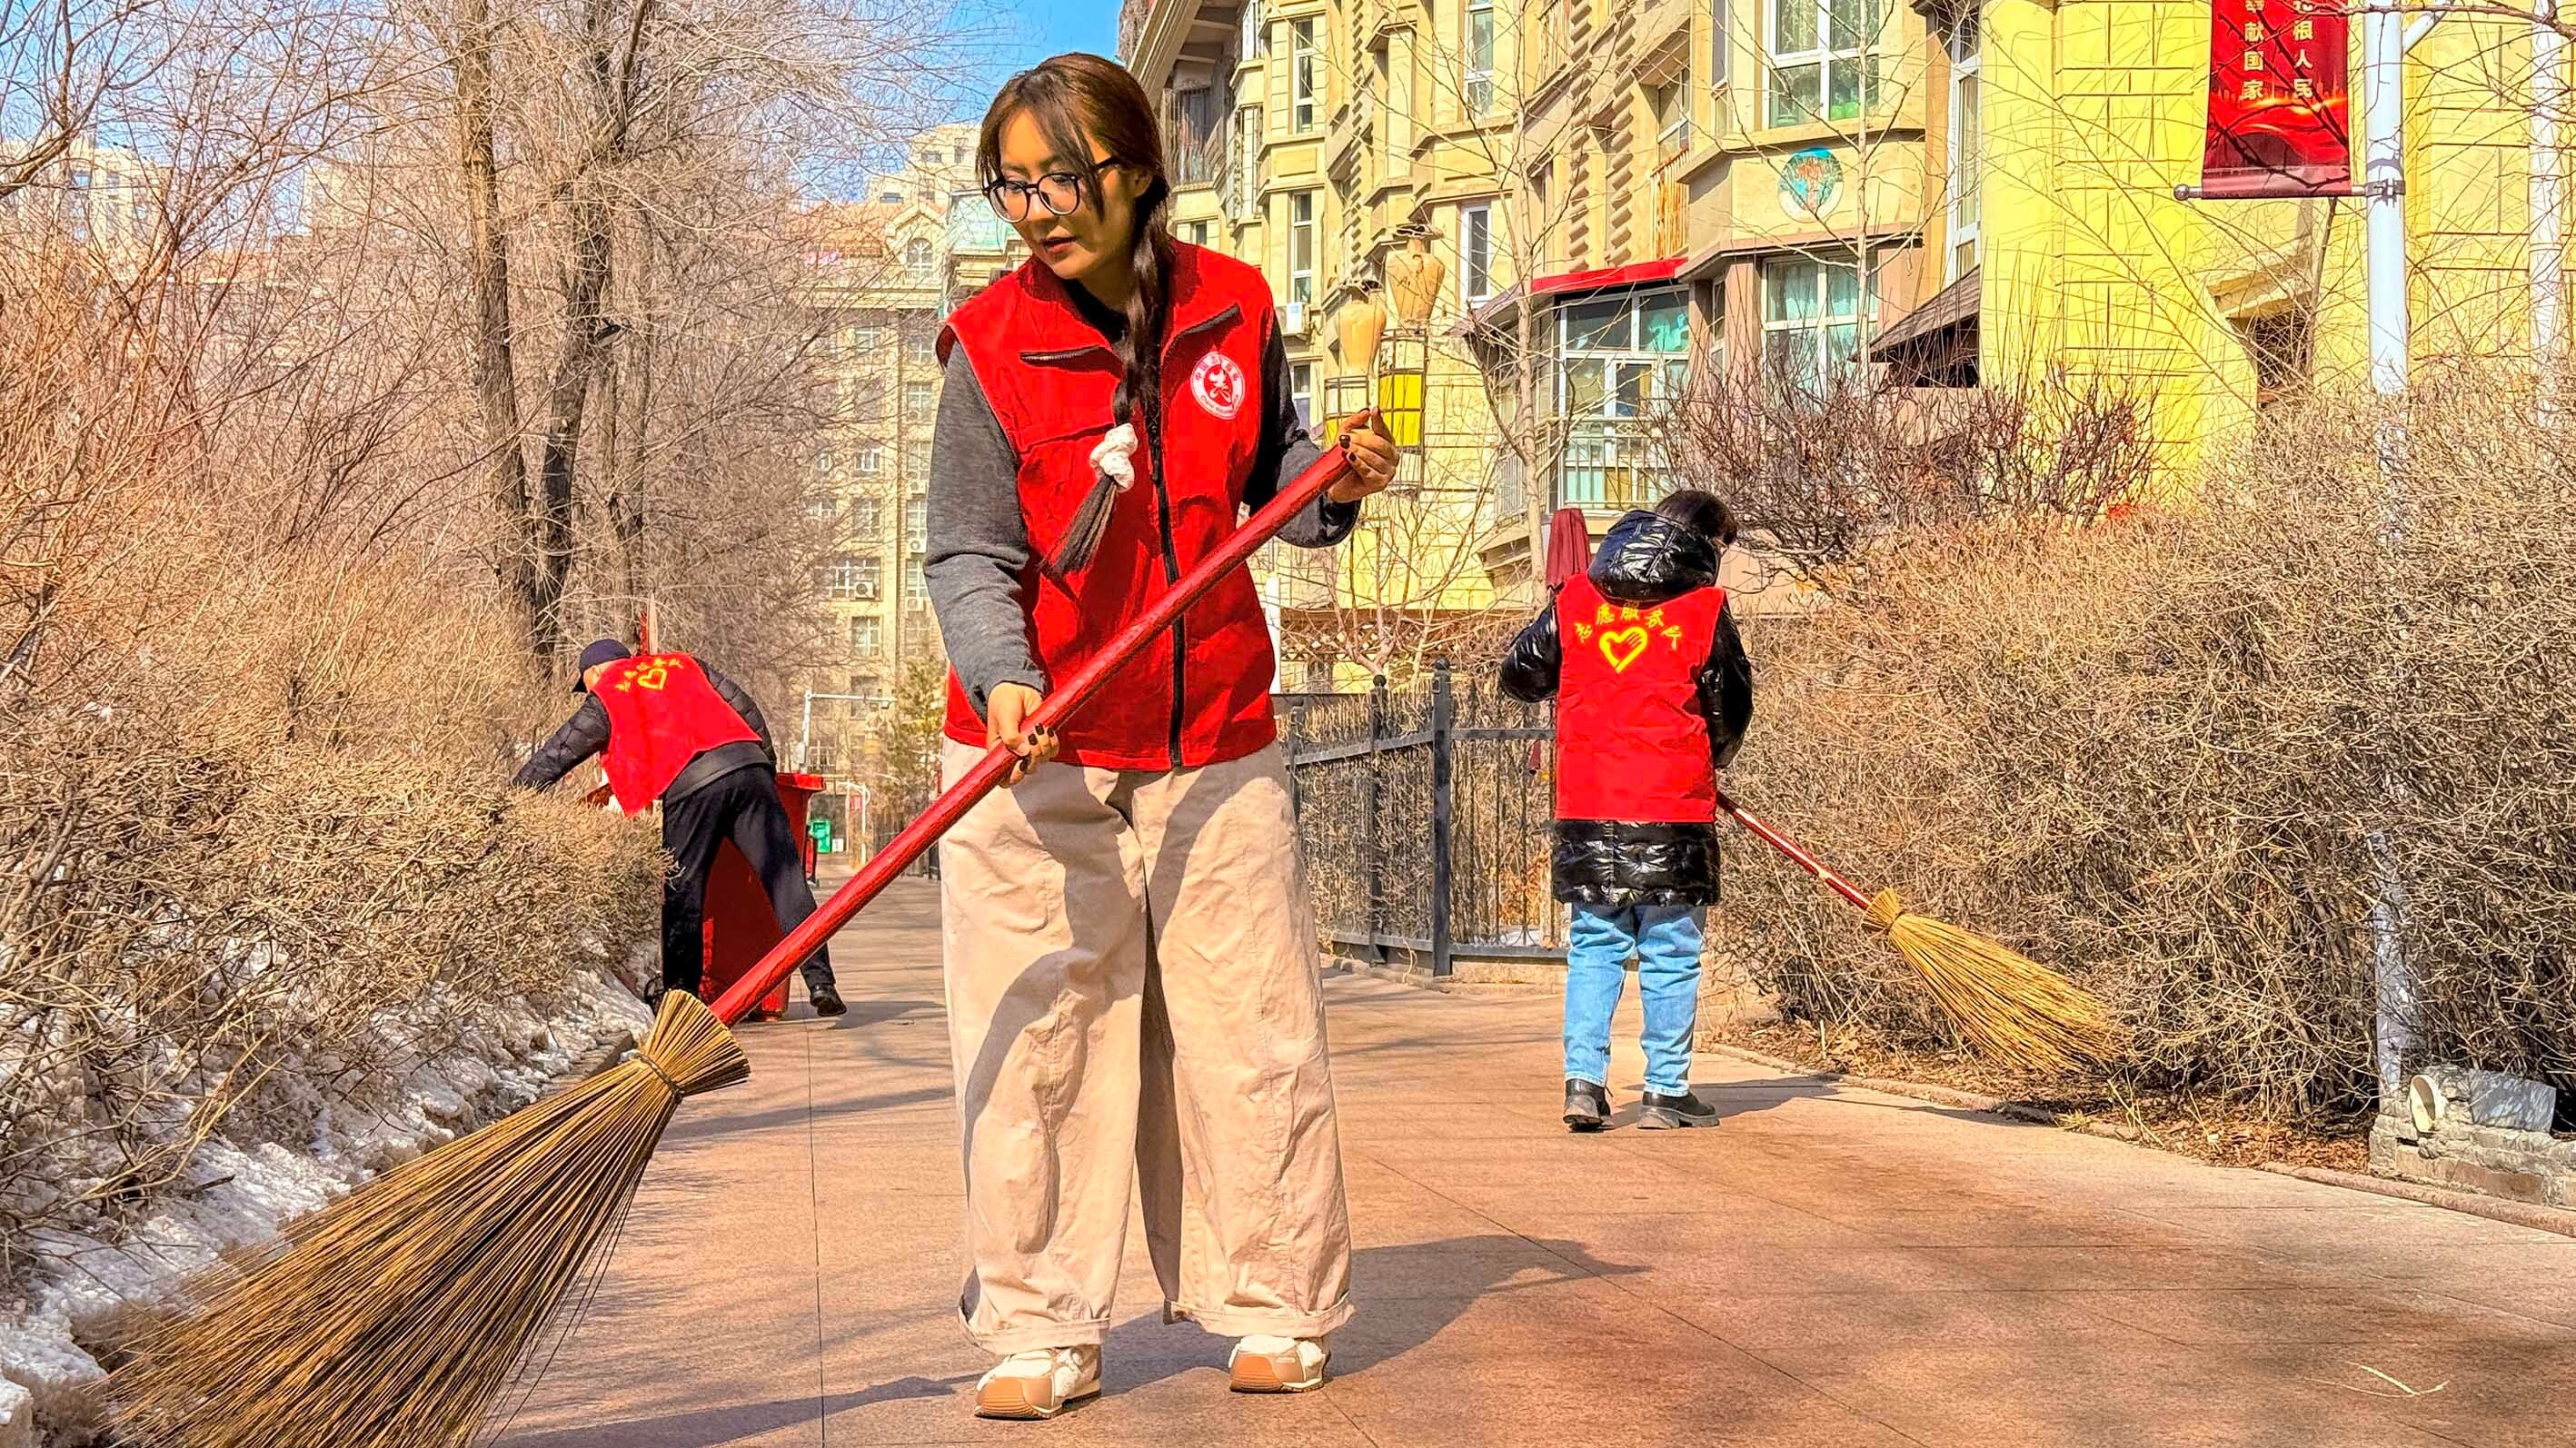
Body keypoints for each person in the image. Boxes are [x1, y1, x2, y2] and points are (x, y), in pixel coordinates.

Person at [923, 54, 1399, 1422]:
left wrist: (1336, 480)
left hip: (1215, 740)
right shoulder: (986, 346)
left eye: (1060, 179)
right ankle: (1036, 1321)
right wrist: (1004, 677)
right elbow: (967, 549)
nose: (1036, 211)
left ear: (1136, 171)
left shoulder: (1235, 309)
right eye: (1012, 185)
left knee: (1252, 1027)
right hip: (1037, 748)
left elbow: (1275, 484)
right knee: (1037, 1044)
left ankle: (1276, 1297)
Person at [1499, 491, 1754, 1132]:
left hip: (1589, 801)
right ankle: (1665, 1091)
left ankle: (1583, 1083)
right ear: (1707, 546)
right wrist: (1710, 759)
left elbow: (1520, 676)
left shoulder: (1575, 600)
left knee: (1595, 945)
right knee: (1671, 950)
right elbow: (1730, 706)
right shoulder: (1704, 610)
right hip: (1673, 804)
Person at [513, 639, 844, 1017]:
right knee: (785, 880)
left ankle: (681, 1003)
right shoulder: (685, 665)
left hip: (691, 785)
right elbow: (745, 708)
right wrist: (763, 767)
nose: (588, 691)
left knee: (682, 893)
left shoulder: (608, 692)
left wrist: (514, 796)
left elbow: (559, 751)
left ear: (596, 672)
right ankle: (821, 981)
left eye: (585, 683)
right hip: (747, 765)